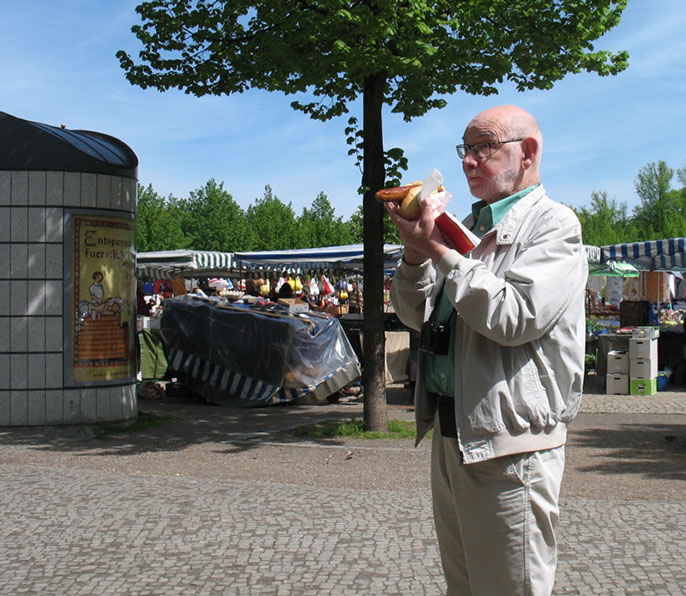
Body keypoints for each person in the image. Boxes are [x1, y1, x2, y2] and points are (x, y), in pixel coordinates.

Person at [387, 105, 588, 595]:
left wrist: (440, 252)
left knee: (508, 587)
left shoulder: (554, 224)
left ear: (528, 152)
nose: (468, 161)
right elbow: (413, 316)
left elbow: (514, 317)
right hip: (451, 434)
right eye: (466, 148)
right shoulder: (465, 227)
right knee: (464, 587)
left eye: (484, 147)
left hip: (510, 444)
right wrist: (415, 253)